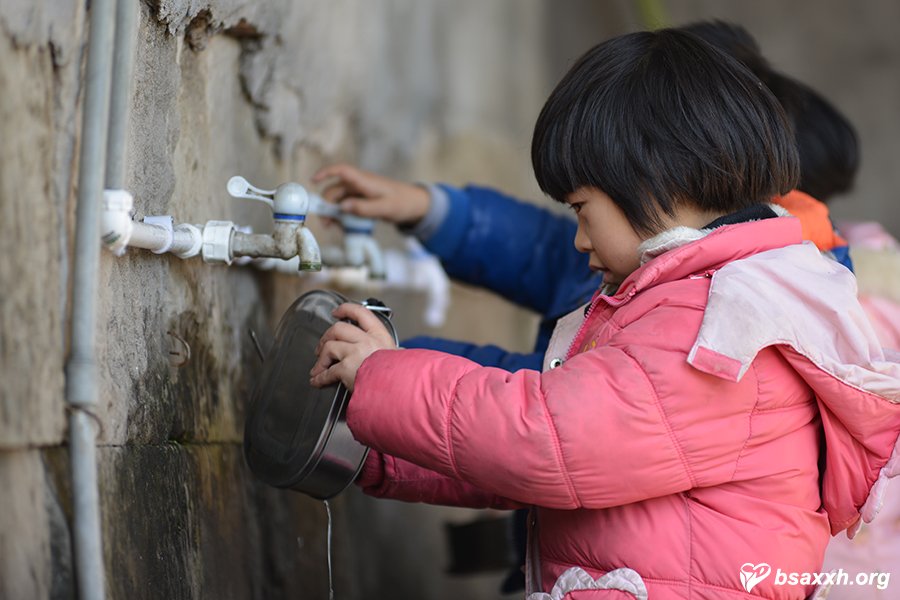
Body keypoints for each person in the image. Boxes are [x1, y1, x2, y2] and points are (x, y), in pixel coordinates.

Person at [309, 29, 900, 599]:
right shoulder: (703, 294)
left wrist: (385, 377)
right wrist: (375, 439)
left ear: (656, 183)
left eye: (582, 209)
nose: (578, 241)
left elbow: (543, 439)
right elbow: (548, 458)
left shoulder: (718, 322)